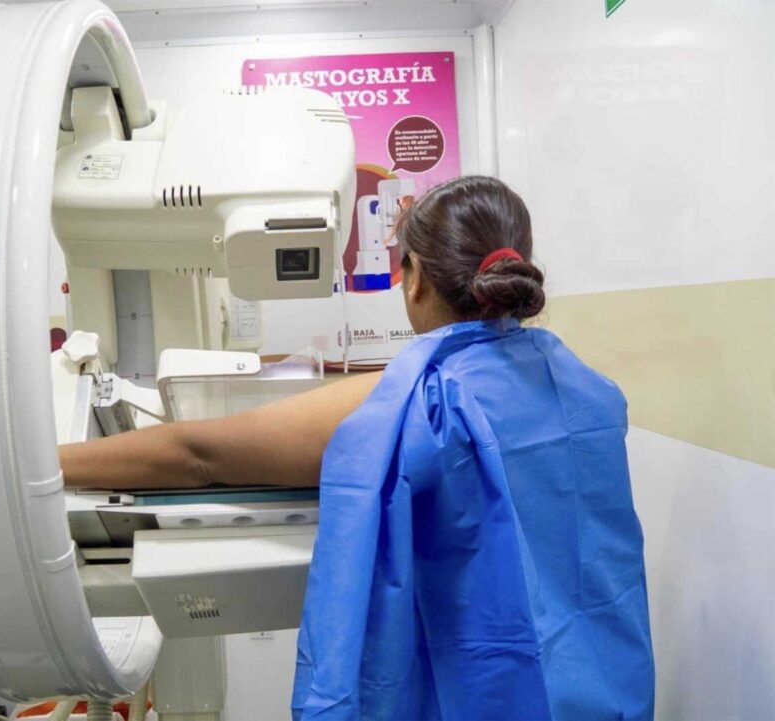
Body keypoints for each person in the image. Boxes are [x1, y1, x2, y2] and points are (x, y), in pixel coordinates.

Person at [59, 176, 655, 721]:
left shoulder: (416, 400)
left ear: (415, 276)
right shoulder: (589, 392)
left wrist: (47, 464)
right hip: (598, 690)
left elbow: (199, 454)